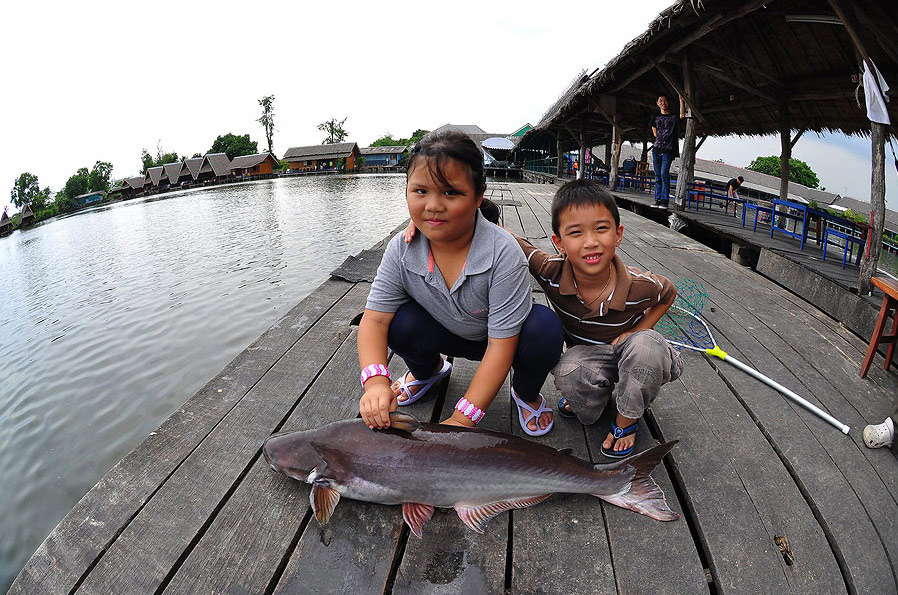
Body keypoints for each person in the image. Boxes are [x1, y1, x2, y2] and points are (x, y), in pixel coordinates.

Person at [359, 130, 564, 435]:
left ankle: (526, 393)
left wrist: (462, 419)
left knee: (545, 329)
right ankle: (428, 371)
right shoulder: (401, 249)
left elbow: (499, 346)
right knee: (397, 321)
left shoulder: (503, 253)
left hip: (501, 340)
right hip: (444, 330)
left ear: (478, 195)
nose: (433, 205)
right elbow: (374, 321)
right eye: (420, 191)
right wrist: (375, 381)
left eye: (450, 192)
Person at [513, 179, 683, 457]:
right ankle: (599, 400)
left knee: (646, 345)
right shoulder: (551, 271)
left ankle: (626, 420)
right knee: (568, 371)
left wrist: (637, 329)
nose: (591, 242)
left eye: (601, 229)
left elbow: (669, 294)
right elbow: (513, 240)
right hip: (592, 359)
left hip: (634, 354)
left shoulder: (641, 285)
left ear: (618, 234)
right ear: (559, 242)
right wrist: (422, 224)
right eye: (576, 233)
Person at [650, 93, 686, 209]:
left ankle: (664, 201)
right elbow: (655, 133)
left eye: (665, 100)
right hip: (657, 149)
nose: (663, 103)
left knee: (664, 173)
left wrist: (681, 101)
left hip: (668, 150)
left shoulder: (673, 116)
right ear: (657, 103)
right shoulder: (654, 116)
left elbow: (682, 116)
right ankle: (658, 199)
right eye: (660, 101)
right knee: (657, 175)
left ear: (668, 102)